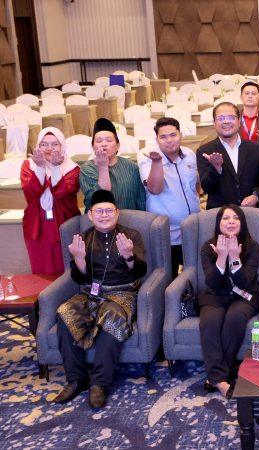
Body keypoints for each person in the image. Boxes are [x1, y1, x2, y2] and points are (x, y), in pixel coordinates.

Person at [52, 190, 147, 409]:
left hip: (123, 294)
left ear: (117, 213)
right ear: (90, 215)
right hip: (90, 294)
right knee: (64, 312)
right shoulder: (83, 238)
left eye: (109, 210)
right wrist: (79, 259)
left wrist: (129, 256)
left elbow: (140, 272)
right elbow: (79, 278)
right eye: (99, 211)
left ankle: (99, 383)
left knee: (112, 317)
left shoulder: (131, 236)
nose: (104, 215)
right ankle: (76, 379)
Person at [199, 205, 259, 398]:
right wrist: (221, 258)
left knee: (235, 318)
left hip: (244, 295)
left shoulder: (252, 246)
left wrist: (234, 257)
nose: (231, 222)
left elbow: (245, 282)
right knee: (209, 322)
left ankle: (216, 378)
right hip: (216, 294)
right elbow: (212, 282)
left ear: (242, 223)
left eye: (236, 218)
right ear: (219, 223)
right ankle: (220, 381)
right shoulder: (208, 247)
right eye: (226, 218)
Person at [138, 117, 201, 278]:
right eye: (163, 137)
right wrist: (157, 162)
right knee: (168, 277)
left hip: (192, 227)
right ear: (156, 139)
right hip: (167, 231)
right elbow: (155, 189)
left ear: (181, 135)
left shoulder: (189, 154)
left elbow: (196, 184)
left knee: (194, 274)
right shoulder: (147, 156)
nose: (169, 140)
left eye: (173, 135)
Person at [20, 127, 80, 274]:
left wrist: (55, 168)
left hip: (64, 221)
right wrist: (40, 168)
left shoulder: (72, 168)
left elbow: (62, 193)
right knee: (41, 268)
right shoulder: (28, 165)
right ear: (38, 146)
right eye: (44, 144)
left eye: (55, 144)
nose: (49, 148)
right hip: (36, 224)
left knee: (65, 266)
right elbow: (31, 192)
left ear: (62, 145)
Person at [197, 102, 259, 209]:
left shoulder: (255, 148)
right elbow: (206, 187)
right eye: (221, 118)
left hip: (251, 211)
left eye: (231, 117)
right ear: (214, 123)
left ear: (239, 121)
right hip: (221, 213)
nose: (226, 121)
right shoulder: (205, 151)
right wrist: (216, 169)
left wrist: (256, 196)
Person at [80, 118, 146, 210]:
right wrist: (103, 167)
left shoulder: (131, 167)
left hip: (130, 217)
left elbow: (141, 199)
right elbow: (100, 198)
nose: (104, 144)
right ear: (93, 147)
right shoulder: (87, 168)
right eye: (99, 141)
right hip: (100, 218)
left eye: (109, 140)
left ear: (118, 145)